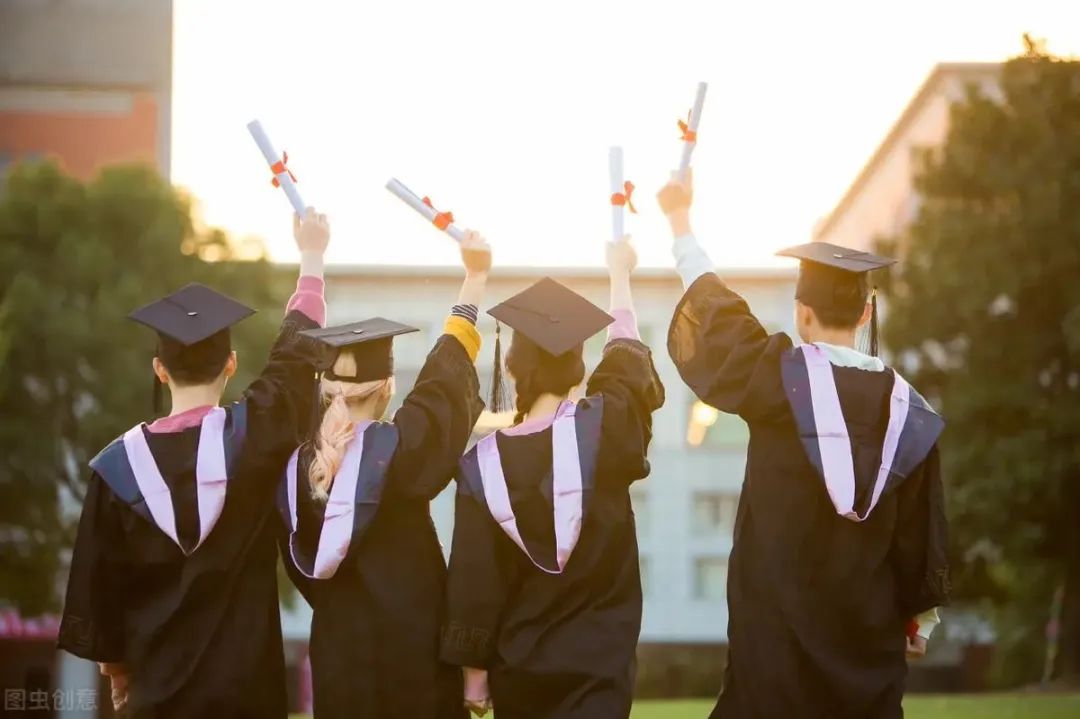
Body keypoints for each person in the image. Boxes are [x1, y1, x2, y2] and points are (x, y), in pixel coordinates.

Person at [656, 171, 949, 719]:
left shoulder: (776, 381)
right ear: (866, 314)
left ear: (802, 313)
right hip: (865, 659)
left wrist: (679, 221)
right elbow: (920, 537)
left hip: (774, 656)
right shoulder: (910, 416)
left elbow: (717, 314)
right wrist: (917, 621)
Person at [58, 208, 332, 718]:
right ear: (230, 364)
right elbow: (297, 356)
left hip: (156, 695)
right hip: (246, 692)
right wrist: (311, 254)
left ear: (159, 370)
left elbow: (99, 590)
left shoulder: (116, 471)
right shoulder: (253, 435)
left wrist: (119, 674)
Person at [440, 237, 665, 719]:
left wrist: (475, 676)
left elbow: (475, 578)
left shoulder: (482, 466)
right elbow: (625, 363)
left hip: (521, 670)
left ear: (511, 365)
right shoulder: (606, 429)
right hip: (600, 666)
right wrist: (620, 274)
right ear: (578, 369)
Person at [279, 230, 491, 718]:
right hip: (414, 664)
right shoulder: (401, 449)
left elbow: (301, 570)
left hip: (339, 664)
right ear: (388, 389)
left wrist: (311, 257)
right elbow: (443, 379)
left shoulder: (299, 473)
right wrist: (474, 280)